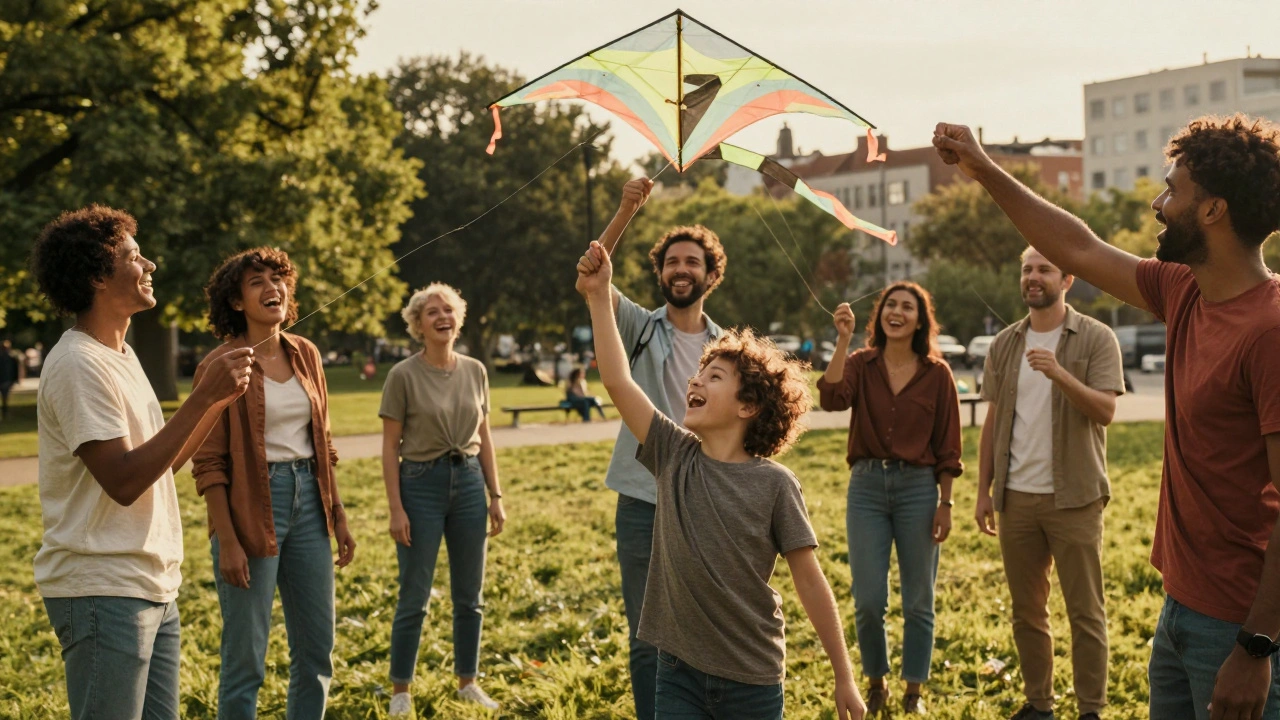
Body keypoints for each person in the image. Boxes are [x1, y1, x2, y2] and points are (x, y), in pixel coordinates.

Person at [934, 114, 1280, 720]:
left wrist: (1256, 647)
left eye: (1172, 189)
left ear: (1213, 212)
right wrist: (984, 169)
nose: (1156, 202)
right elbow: (1078, 247)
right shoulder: (1185, 290)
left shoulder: (1270, 331)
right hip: (1180, 607)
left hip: (1240, 627)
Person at [576, 239, 866, 720]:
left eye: (713, 377)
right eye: (698, 374)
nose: (695, 382)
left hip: (752, 678)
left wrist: (843, 675)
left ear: (748, 406)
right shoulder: (672, 454)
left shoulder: (776, 485)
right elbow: (617, 380)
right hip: (677, 674)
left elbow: (811, 582)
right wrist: (599, 295)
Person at [30, 205, 253, 720]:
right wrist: (201, 400)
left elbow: (160, 463)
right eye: (133, 255)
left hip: (150, 584)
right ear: (96, 277)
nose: (149, 264)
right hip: (101, 589)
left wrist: (215, 398)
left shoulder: (122, 355)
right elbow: (124, 481)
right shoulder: (77, 364)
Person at [191, 248, 357, 719]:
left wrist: (337, 517)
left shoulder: (306, 354)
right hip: (249, 509)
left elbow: (322, 443)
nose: (273, 288)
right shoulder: (220, 364)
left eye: (278, 278)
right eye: (257, 281)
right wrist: (226, 540)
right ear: (237, 302)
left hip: (310, 507)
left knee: (317, 652)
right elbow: (209, 463)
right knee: (246, 659)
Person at [593, 177, 727, 720]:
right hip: (642, 500)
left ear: (710, 275)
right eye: (672, 261)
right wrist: (626, 208)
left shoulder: (728, 348)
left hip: (707, 501)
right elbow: (593, 275)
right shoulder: (637, 327)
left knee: (703, 625)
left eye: (692, 262)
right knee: (647, 633)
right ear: (660, 272)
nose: (681, 269)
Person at [976, 248, 1124, 720]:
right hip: (1015, 499)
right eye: (1026, 269)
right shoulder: (1004, 343)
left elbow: (1105, 411)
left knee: (1086, 612)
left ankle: (1091, 710)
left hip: (1075, 497)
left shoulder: (1097, 338)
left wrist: (1059, 373)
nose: (1033, 277)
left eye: (1044, 269)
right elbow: (992, 421)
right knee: (1027, 612)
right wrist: (984, 489)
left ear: (1068, 280)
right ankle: (1039, 704)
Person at [816, 283, 963, 715]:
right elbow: (830, 399)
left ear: (921, 320)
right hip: (866, 488)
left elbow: (949, 446)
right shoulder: (861, 363)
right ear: (879, 315)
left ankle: (913, 691)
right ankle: (875, 682)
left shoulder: (937, 374)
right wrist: (843, 339)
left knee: (919, 600)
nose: (897, 312)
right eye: (890, 306)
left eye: (908, 307)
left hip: (919, 489)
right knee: (867, 599)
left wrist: (946, 502)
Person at [380, 283, 507, 716]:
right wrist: (396, 508)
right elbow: (389, 446)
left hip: (470, 482)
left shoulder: (475, 370)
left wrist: (496, 494)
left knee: (470, 595)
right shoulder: (402, 375)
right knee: (414, 595)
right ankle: (401, 691)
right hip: (420, 485)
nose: (442, 317)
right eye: (431, 312)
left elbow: (485, 436)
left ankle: (468, 681)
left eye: (448, 309)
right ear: (418, 324)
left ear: (459, 318)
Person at [0, 338, 24, 421]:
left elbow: (14, 369)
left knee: (5, 398)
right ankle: (4, 413)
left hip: (6, 380)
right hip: (5, 380)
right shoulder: (10, 357)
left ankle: (5, 413)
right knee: (5, 398)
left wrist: (16, 379)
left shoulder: (12, 357)